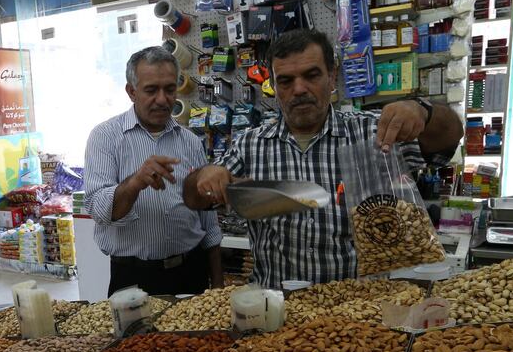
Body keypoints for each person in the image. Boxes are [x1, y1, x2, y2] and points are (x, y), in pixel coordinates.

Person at [184, 29, 464, 289]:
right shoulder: (249, 144)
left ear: (332, 76)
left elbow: (448, 139)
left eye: (312, 75)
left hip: (359, 308)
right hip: (278, 310)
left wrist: (423, 111)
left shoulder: (374, 133)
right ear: (274, 85)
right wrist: (205, 176)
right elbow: (193, 199)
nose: (299, 89)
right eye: (286, 80)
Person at [84, 46, 223, 296]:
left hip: (191, 272)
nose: (162, 99)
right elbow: (99, 210)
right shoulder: (105, 137)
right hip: (133, 277)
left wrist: (219, 287)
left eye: (169, 89)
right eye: (151, 90)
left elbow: (208, 221)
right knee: (136, 337)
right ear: (131, 91)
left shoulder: (190, 141)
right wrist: (136, 182)